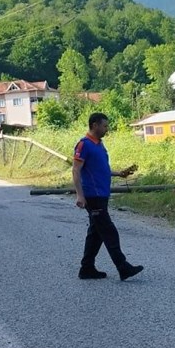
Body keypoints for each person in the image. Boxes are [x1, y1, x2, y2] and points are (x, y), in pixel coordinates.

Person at [72, 113, 143, 281]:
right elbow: (76, 170)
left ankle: (87, 268)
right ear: (95, 125)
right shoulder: (84, 144)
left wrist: (119, 173)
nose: (106, 129)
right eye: (104, 126)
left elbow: (100, 169)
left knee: (96, 233)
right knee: (109, 231)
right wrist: (80, 195)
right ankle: (123, 267)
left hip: (102, 194)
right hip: (92, 195)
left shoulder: (99, 145)